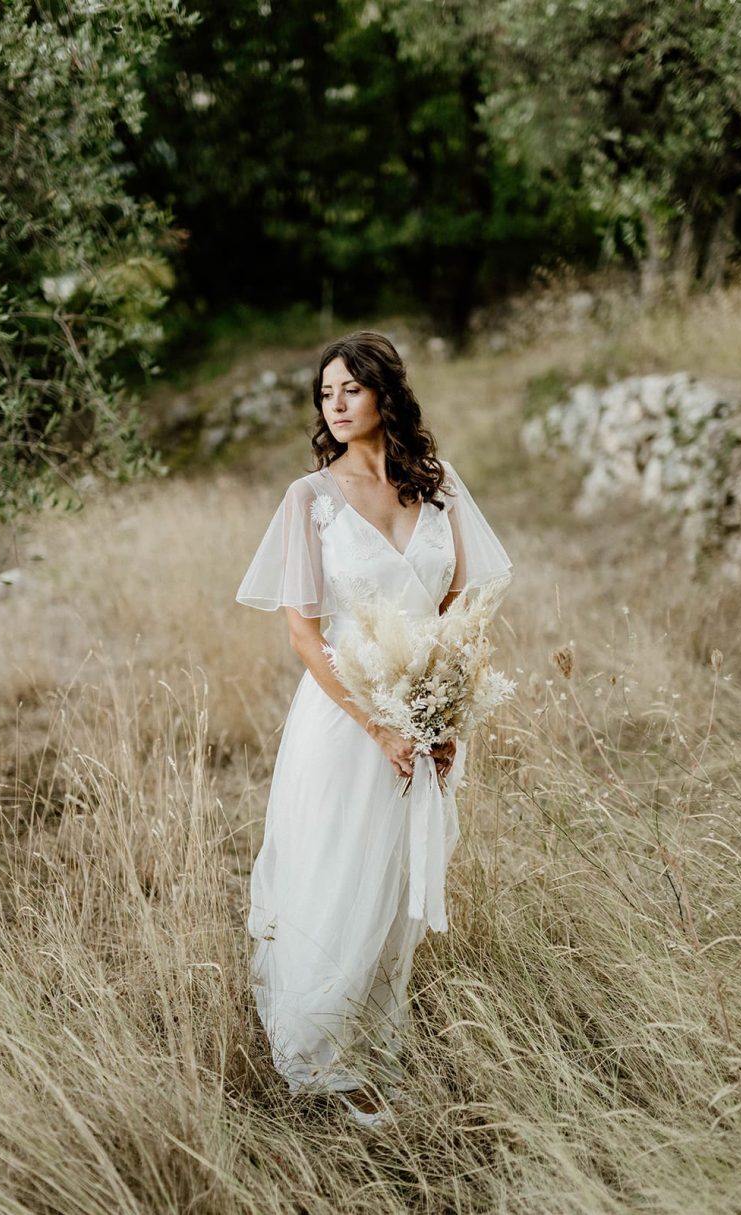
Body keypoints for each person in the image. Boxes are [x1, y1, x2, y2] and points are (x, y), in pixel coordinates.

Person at [236, 331, 513, 1126]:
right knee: (335, 870)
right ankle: (319, 1052)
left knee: (392, 881)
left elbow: (462, 606)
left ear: (385, 392)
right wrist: (378, 726)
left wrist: (441, 710)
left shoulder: (438, 483)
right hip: (343, 717)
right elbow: (303, 633)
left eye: (351, 387)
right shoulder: (309, 499)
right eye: (327, 392)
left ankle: (372, 1042)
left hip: (422, 712)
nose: (337, 401)